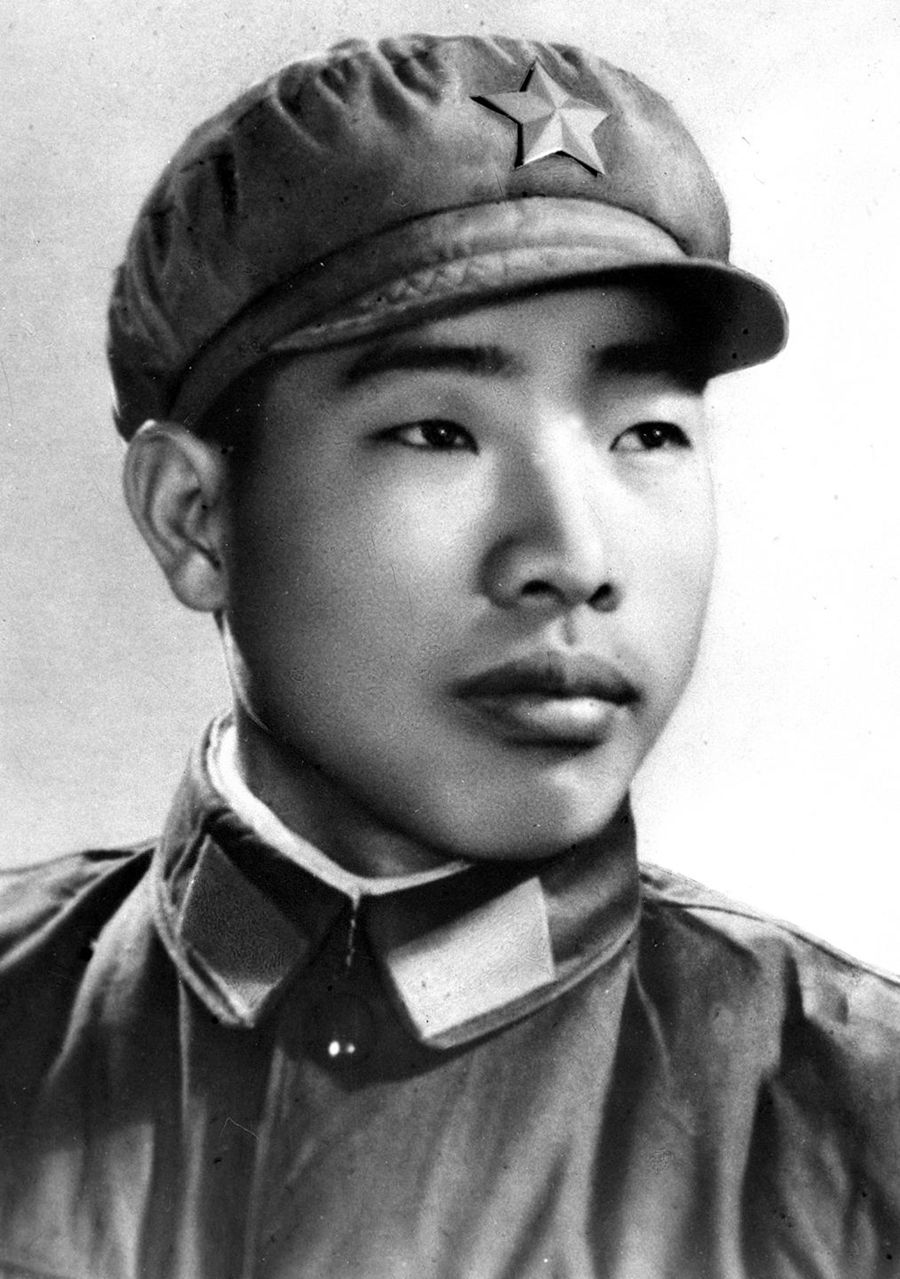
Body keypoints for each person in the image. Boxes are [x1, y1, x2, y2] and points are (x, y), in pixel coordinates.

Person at [0, 31, 897, 1279]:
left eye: (645, 433)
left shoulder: (858, 1121)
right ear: (194, 518)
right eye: (438, 430)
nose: (571, 556)